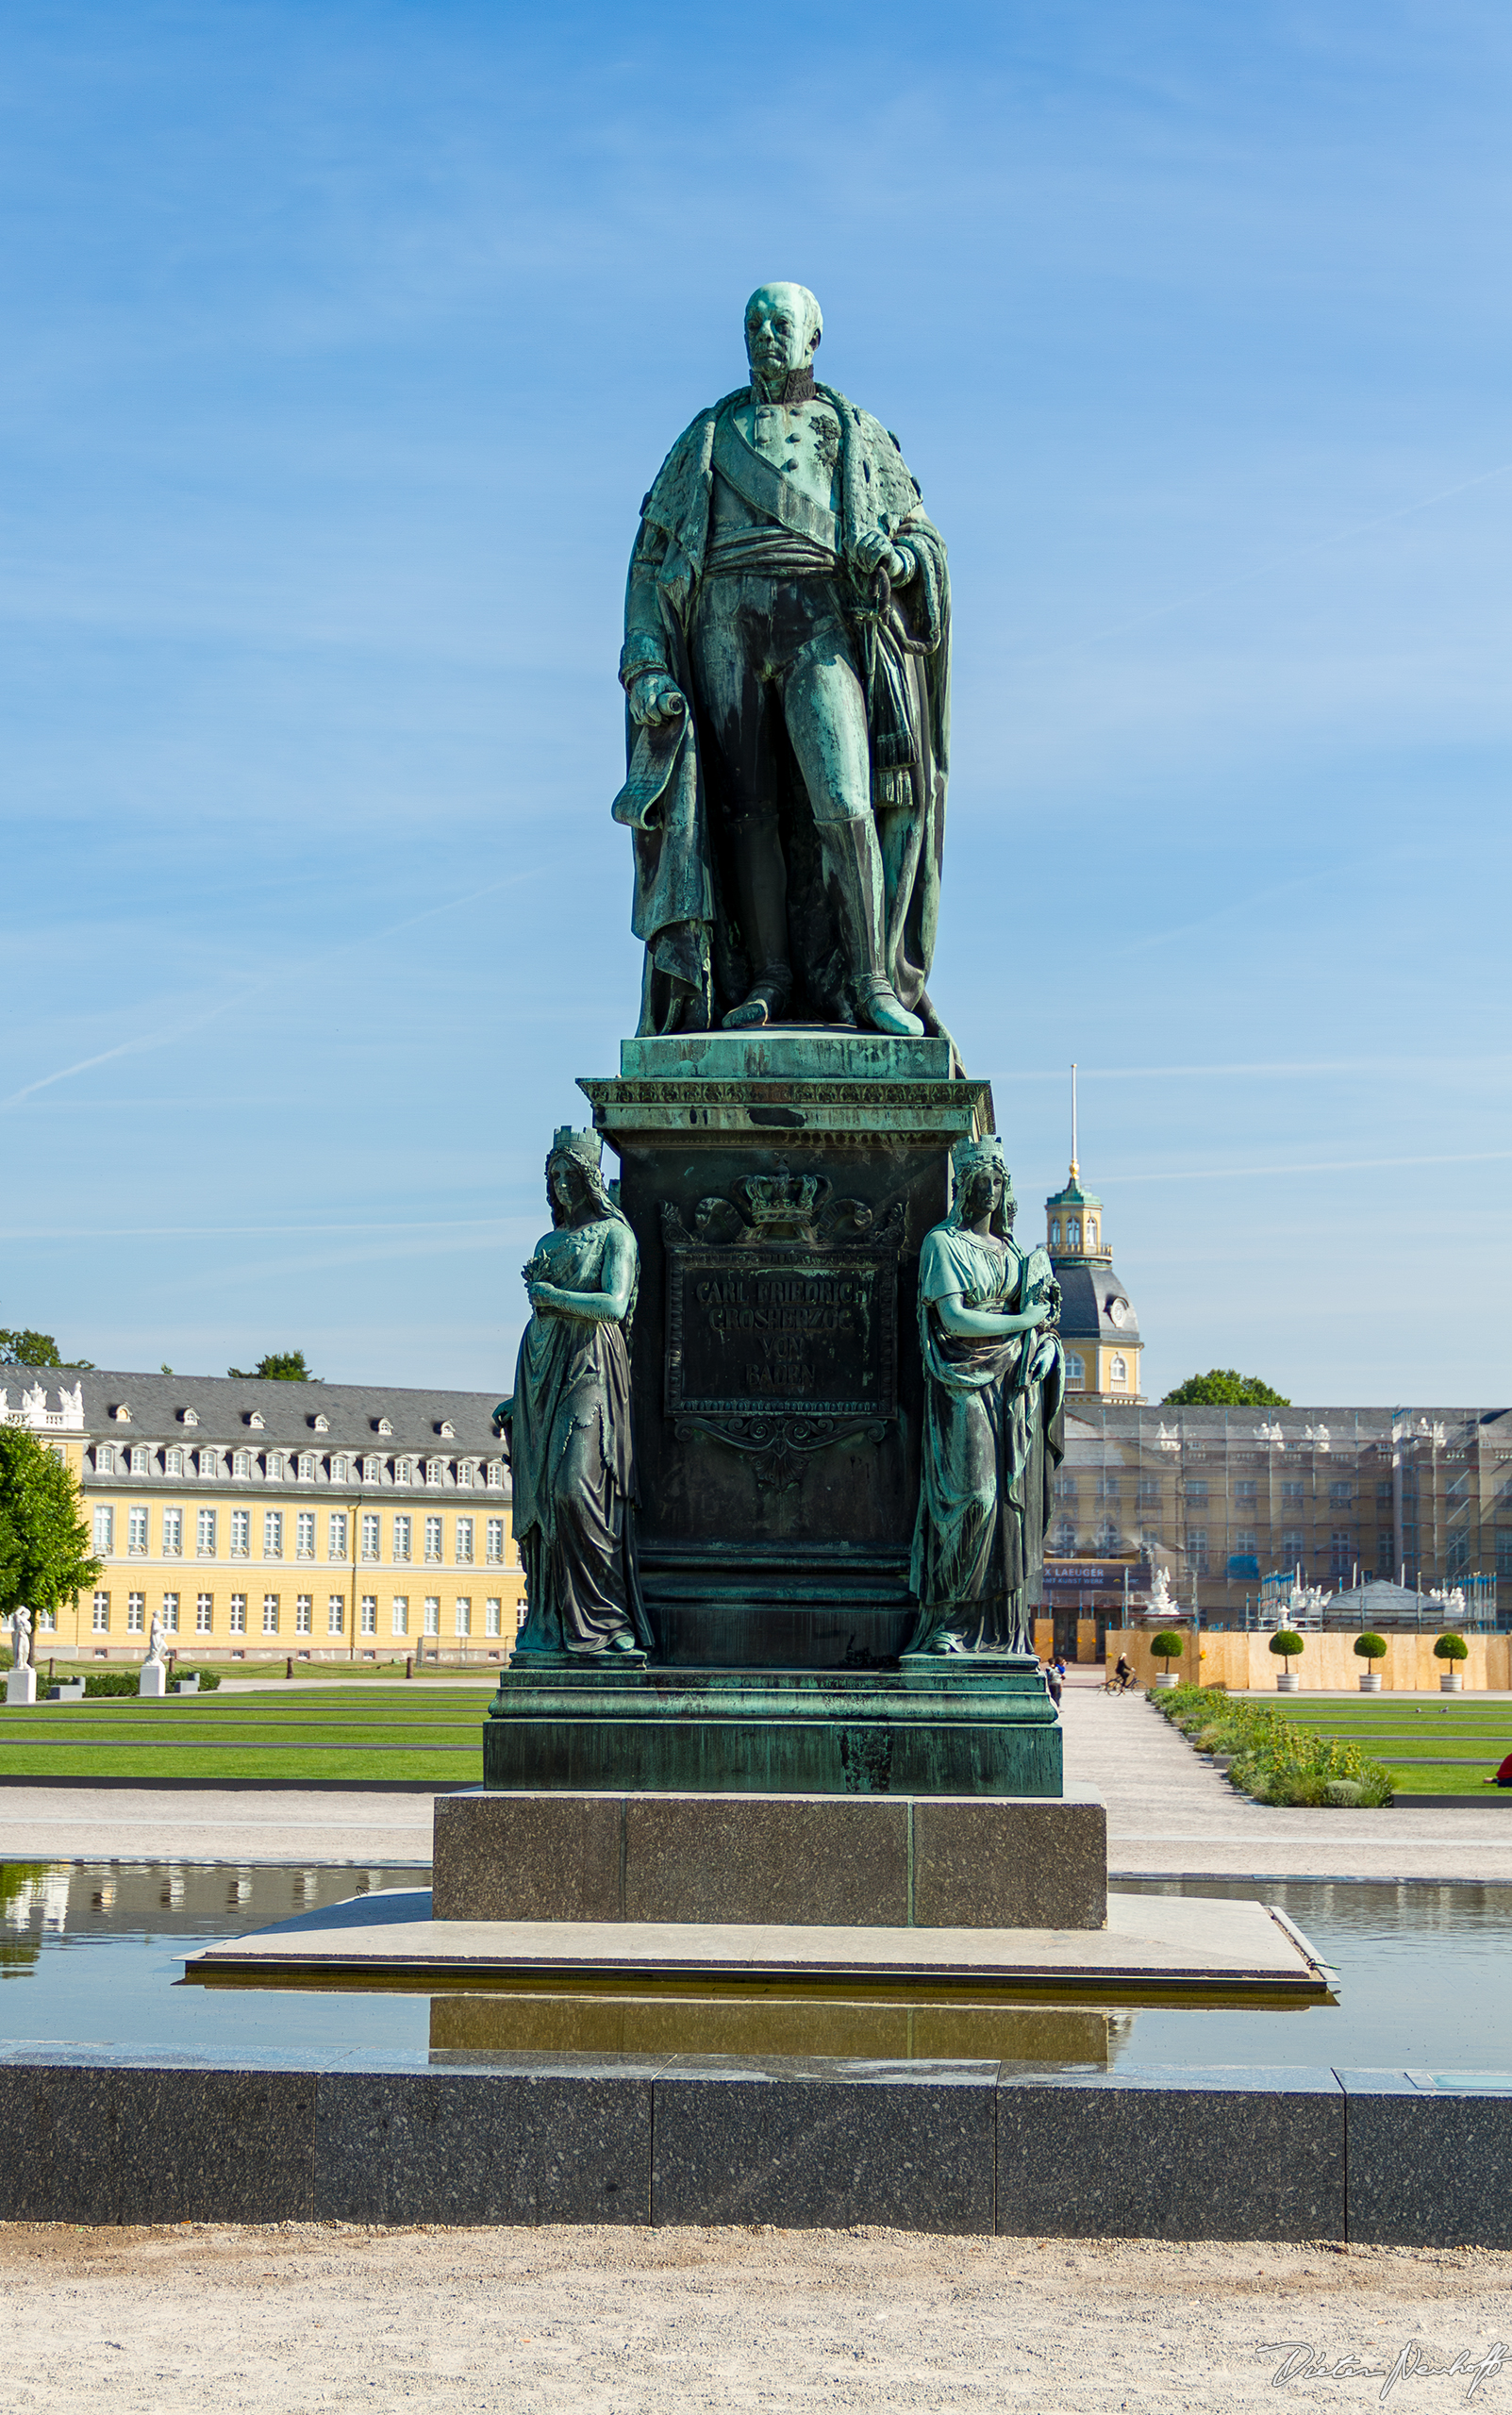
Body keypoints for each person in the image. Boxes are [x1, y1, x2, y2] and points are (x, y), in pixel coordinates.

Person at [615, 282, 951, 1041]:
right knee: (745, 811)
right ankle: (765, 976)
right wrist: (646, 660)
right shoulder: (706, 435)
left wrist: (895, 564)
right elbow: (650, 561)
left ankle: (870, 982)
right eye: (753, 324)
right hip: (725, 624)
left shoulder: (854, 432)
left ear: (813, 337)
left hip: (816, 622)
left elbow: (919, 536)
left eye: (781, 323)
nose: (766, 335)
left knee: (844, 802)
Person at [493, 1128, 654, 1660]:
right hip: (541, 1374)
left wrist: (555, 1298)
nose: (561, 1185)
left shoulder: (616, 1235)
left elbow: (613, 1304)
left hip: (593, 1368)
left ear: (590, 1178)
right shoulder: (549, 1243)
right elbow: (540, 1323)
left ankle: (607, 1618)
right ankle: (556, 1621)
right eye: (553, 1176)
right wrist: (521, 1401)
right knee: (547, 1502)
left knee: (574, 1488)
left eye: (570, 1174)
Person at [905, 1137, 1064, 1657]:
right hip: (961, 1379)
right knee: (973, 1499)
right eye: (982, 1179)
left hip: (1013, 1386)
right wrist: (1023, 1323)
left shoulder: (1016, 1253)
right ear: (963, 1185)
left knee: (1008, 1506)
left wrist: (1046, 1347)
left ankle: (995, 1628)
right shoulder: (942, 1245)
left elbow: (1043, 1321)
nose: (991, 1189)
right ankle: (946, 1622)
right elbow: (953, 1319)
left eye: (999, 1180)